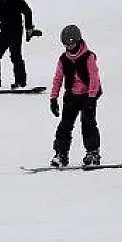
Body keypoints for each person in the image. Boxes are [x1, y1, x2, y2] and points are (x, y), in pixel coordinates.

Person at [48, 25, 102, 167]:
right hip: (72, 96)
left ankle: (93, 152)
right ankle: (61, 154)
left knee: (88, 123)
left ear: (78, 41)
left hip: (88, 95)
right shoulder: (63, 59)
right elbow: (58, 79)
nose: (69, 47)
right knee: (64, 125)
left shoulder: (88, 57)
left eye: (71, 43)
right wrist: (53, 98)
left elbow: (94, 78)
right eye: (66, 44)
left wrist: (91, 98)